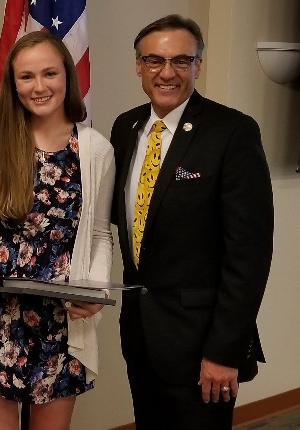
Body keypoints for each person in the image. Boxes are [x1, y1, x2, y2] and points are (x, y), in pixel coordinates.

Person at [110, 14, 274, 429]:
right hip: (141, 336)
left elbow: (248, 255)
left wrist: (224, 350)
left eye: (182, 61)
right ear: (138, 66)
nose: (167, 73)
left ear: (198, 65)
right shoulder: (126, 128)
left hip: (202, 345)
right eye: (154, 60)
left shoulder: (232, 132)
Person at [0, 31, 115, 430]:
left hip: (61, 322)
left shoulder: (95, 148)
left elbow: (100, 233)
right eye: (26, 76)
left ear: (67, 76)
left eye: (49, 73)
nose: (38, 86)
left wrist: (96, 291)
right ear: (12, 84)